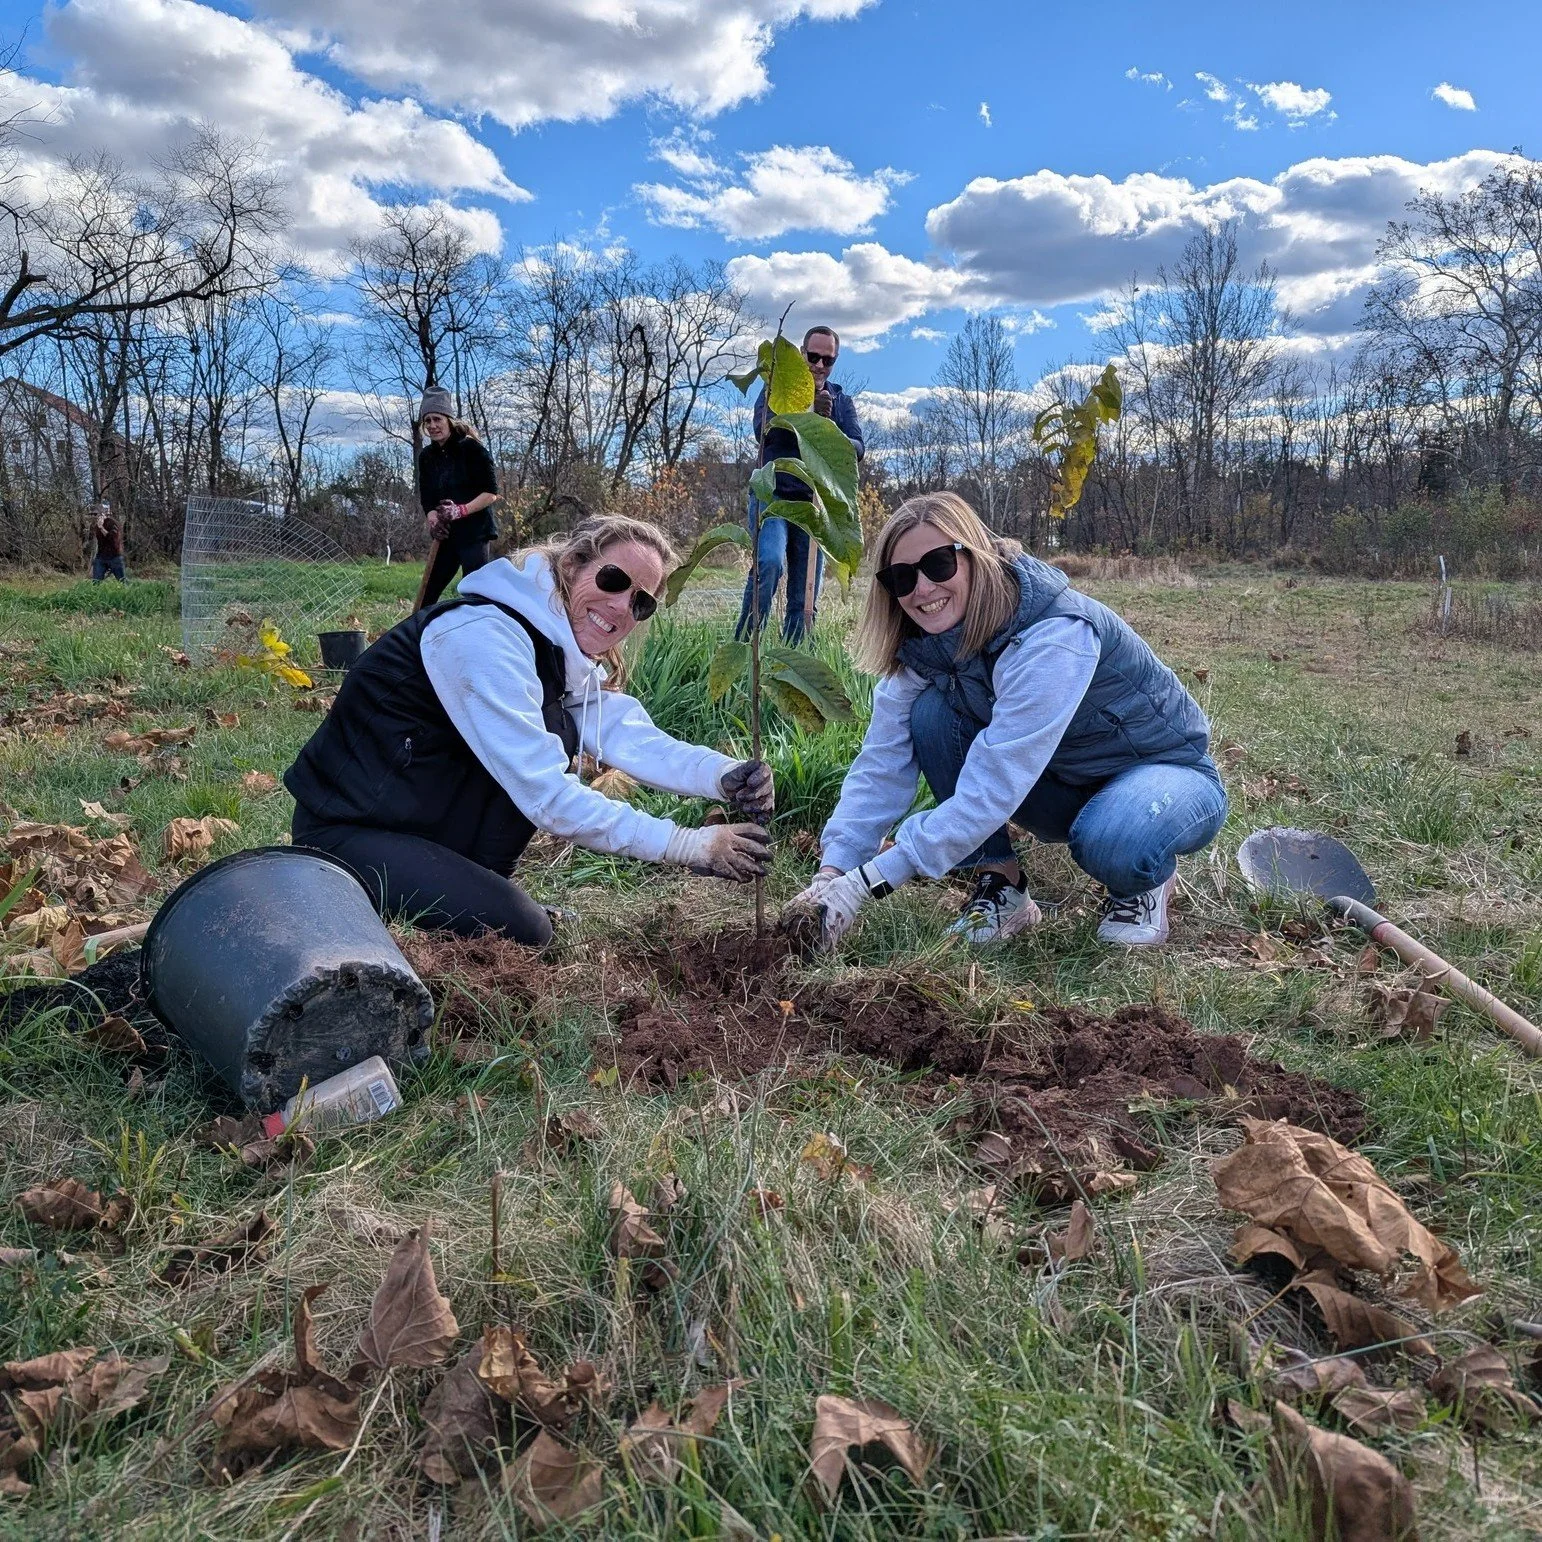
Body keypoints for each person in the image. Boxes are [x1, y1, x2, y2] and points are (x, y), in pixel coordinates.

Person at [285, 514, 775, 947]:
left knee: (513, 920)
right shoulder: (485, 638)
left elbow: (626, 734)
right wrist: (689, 845)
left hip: (422, 830)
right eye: (613, 579)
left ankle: (474, 892)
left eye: (641, 602)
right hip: (349, 833)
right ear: (570, 568)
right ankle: (385, 902)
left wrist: (722, 774)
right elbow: (549, 797)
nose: (623, 607)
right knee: (526, 931)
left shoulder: (556, 652)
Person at [791, 492, 1227, 950]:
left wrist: (868, 883)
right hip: (1058, 781)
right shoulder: (927, 650)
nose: (922, 589)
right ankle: (1002, 886)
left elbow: (995, 781)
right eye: (901, 577)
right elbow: (881, 764)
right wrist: (834, 871)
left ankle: (1142, 884)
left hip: (1163, 774)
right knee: (931, 715)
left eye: (939, 564)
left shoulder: (1052, 635)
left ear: (976, 556)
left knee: (1115, 839)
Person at [735, 325, 865, 645]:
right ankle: (745, 648)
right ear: (801, 353)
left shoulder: (840, 400)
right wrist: (808, 411)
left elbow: (857, 449)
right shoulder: (776, 387)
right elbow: (764, 431)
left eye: (828, 360)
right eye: (813, 356)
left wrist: (828, 424)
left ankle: (792, 664)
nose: (820, 365)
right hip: (772, 494)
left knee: (804, 597)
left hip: (813, 505)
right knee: (769, 562)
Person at [416, 386, 500, 607]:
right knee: (427, 594)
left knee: (476, 595)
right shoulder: (427, 457)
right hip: (446, 535)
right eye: (428, 421)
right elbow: (427, 497)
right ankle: (421, 636)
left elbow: (491, 493)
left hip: (474, 533)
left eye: (437, 419)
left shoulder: (471, 449)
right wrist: (433, 520)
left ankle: (479, 635)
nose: (433, 426)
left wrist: (460, 510)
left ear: (449, 420)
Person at [91, 500, 125, 582]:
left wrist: (102, 528)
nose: (94, 516)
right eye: (92, 514)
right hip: (101, 557)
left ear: (103, 514)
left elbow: (113, 538)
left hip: (114, 556)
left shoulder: (112, 523)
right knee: (96, 582)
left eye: (95, 514)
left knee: (122, 581)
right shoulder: (95, 526)